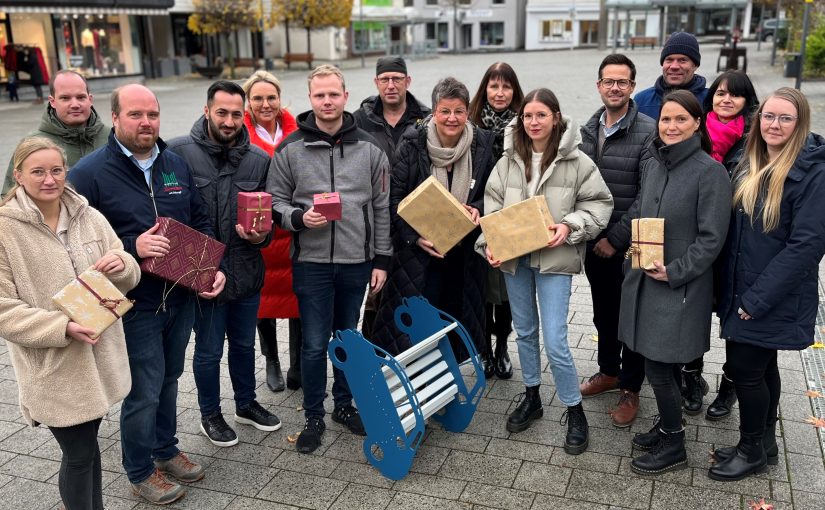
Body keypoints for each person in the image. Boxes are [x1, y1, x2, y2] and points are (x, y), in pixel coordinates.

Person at [69, 84, 225, 505]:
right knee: (144, 389)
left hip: (180, 296)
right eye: (135, 114)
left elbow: (199, 220)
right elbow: (74, 244)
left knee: (170, 379)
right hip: (135, 304)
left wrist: (212, 270)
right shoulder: (88, 173)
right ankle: (139, 470)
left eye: (152, 114)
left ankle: (165, 447)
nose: (146, 122)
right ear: (115, 118)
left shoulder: (173, 163)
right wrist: (129, 247)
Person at [0, 137, 140, 510]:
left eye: (57, 170)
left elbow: (127, 267)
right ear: (19, 175)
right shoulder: (4, 230)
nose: (50, 179)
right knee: (79, 454)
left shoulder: (88, 216)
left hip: (100, 356)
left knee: (88, 449)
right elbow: (3, 309)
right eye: (38, 171)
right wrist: (60, 327)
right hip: (54, 364)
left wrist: (122, 266)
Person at [478, 88, 612, 455]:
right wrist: (488, 243)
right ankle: (532, 395)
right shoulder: (508, 159)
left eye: (541, 115)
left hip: (554, 260)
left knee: (555, 339)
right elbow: (492, 205)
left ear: (556, 117)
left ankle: (574, 409)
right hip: (515, 260)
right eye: (527, 116)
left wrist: (569, 226)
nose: (533, 122)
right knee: (524, 331)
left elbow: (600, 203)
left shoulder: (577, 160)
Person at [268, 65, 391, 454]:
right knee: (313, 342)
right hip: (312, 262)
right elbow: (274, 202)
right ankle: (313, 416)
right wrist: (299, 219)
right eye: (319, 95)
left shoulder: (370, 148)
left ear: (345, 95)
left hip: (357, 260)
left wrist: (382, 260)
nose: (327, 101)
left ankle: (343, 405)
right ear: (310, 99)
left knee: (347, 337)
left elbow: (383, 207)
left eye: (333, 94)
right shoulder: (290, 149)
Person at [710, 88, 825, 481]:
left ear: (800, 123)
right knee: (762, 368)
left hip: (767, 294)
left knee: (745, 371)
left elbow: (806, 247)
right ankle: (765, 444)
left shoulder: (813, 173)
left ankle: (751, 449)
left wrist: (756, 299)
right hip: (743, 289)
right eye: (769, 116)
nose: (774, 125)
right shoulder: (749, 160)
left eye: (785, 118)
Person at [615, 90, 731, 475]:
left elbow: (712, 238)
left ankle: (675, 443)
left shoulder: (709, 172)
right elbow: (643, 217)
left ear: (698, 123)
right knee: (652, 361)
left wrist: (676, 270)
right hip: (645, 278)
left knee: (661, 366)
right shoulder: (654, 164)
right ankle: (667, 425)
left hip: (679, 285)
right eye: (666, 119)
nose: (672, 126)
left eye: (681, 119)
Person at [167, 80, 281, 447]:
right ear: (206, 111)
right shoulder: (177, 153)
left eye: (236, 113)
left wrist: (260, 236)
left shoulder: (260, 160)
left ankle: (246, 404)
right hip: (203, 275)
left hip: (246, 270)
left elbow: (269, 217)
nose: (230, 121)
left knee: (245, 345)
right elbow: (169, 213)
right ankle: (209, 413)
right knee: (209, 350)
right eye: (222, 113)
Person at [371, 77, 495, 368]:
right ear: (434, 112)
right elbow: (393, 199)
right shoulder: (413, 143)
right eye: (445, 111)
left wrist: (478, 209)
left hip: (464, 256)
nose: (452, 119)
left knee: (456, 324)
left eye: (459, 111)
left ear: (468, 113)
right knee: (417, 325)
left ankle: (447, 381)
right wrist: (414, 237)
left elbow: (494, 194)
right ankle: (417, 378)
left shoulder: (483, 145)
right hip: (419, 257)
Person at [578, 54, 656, 428]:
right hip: (595, 243)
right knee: (602, 313)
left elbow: (649, 193)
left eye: (622, 82)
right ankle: (608, 371)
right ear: (598, 86)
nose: (614, 87)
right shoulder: (588, 129)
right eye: (608, 81)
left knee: (632, 318)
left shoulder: (648, 130)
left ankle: (631, 387)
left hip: (630, 244)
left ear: (632, 86)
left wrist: (616, 237)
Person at [695, 70, 760, 421]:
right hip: (698, 239)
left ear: (746, 101)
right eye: (719, 93)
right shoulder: (696, 130)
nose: (725, 100)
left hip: (736, 244)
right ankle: (692, 378)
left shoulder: (755, 142)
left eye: (734, 95)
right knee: (694, 311)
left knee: (734, 321)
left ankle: (729, 387)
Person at [354, 56, 431, 339]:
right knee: (376, 290)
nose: (390, 85)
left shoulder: (425, 117)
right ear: (376, 83)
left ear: (407, 81)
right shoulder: (359, 120)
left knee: (411, 290)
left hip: (412, 217)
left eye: (396, 79)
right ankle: (372, 351)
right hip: (375, 219)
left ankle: (410, 352)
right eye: (384, 79)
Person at [241, 70, 302, 392]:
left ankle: (297, 362)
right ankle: (272, 361)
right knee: (263, 302)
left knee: (297, 299)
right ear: (248, 102)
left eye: (271, 98)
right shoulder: (240, 133)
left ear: (280, 100)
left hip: (292, 229)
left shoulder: (296, 131)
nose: (265, 104)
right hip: (259, 231)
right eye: (258, 98)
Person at [468, 62, 525, 380]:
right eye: (494, 86)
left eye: (506, 86)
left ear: (515, 90)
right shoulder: (472, 125)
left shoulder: (524, 125)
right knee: (480, 292)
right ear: (485, 89)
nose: (500, 92)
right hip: (476, 218)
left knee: (503, 292)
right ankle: (484, 350)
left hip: (509, 219)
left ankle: (502, 347)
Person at [3, 70, 109, 194]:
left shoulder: (112, 137)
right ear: (52, 101)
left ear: (90, 99)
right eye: (65, 98)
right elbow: (9, 196)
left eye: (81, 97)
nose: (75, 104)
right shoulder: (32, 144)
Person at [634, 32, 707, 121]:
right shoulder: (642, 100)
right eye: (669, 60)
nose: (674, 66)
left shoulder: (711, 100)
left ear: (695, 65)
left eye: (682, 60)